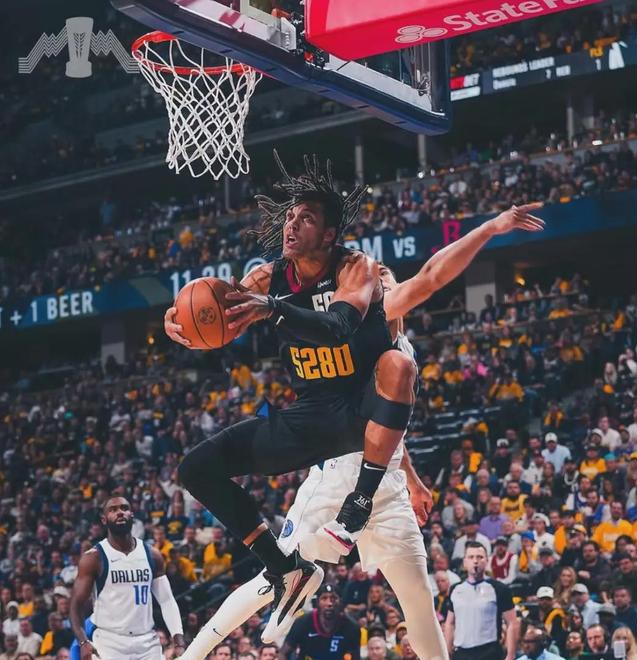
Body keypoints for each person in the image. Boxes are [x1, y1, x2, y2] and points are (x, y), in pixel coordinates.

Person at [176, 198, 544, 657]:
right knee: (268, 580)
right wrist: (185, 322)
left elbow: (431, 278)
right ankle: (195, 652)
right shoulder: (298, 284)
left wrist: (490, 227)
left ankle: (331, 536)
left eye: (382, 281)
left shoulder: (384, 325)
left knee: (419, 601)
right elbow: (232, 300)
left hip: (379, 475)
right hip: (335, 466)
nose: (379, 284)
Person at [70, 496, 186, 660]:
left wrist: (178, 638)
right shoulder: (94, 558)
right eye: (113, 510)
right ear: (104, 520)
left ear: (132, 514)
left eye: (124, 508)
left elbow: (166, 600)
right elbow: (76, 605)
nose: (120, 512)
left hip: (147, 640)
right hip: (109, 642)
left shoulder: (152, 555)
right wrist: (83, 642)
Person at [444, 542, 520, 660]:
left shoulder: (499, 589)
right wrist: (447, 652)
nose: (475, 561)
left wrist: (511, 654)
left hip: (489, 652)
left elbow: (512, 623)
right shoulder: (455, 589)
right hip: (461, 652)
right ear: (465, 562)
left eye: (480, 557)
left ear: (487, 561)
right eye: (471, 557)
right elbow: (450, 623)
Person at [278, 584, 361, 659]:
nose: (329, 603)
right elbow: (283, 653)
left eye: (334, 598)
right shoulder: (302, 622)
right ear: (317, 602)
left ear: (340, 602)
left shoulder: (352, 627)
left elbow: (356, 657)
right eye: (324, 598)